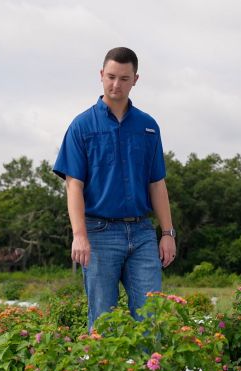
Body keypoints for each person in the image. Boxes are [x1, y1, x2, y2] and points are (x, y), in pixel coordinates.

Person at [54, 47, 176, 331]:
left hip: (143, 234)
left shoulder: (148, 127)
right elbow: (74, 186)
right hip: (99, 234)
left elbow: (157, 183)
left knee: (150, 317)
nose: (116, 84)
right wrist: (79, 235)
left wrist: (168, 233)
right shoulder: (82, 126)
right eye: (110, 77)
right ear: (101, 75)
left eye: (124, 78)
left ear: (135, 79)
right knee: (103, 320)